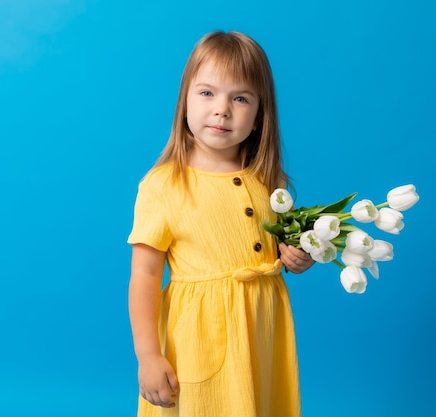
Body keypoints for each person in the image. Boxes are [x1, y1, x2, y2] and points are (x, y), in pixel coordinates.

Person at [127, 31, 314, 417]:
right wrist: (148, 355)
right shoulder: (164, 184)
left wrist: (300, 255)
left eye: (240, 98)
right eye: (207, 93)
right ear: (184, 102)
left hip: (263, 334)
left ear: (261, 114)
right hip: (200, 339)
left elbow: (281, 248)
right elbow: (145, 274)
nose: (222, 109)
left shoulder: (269, 182)